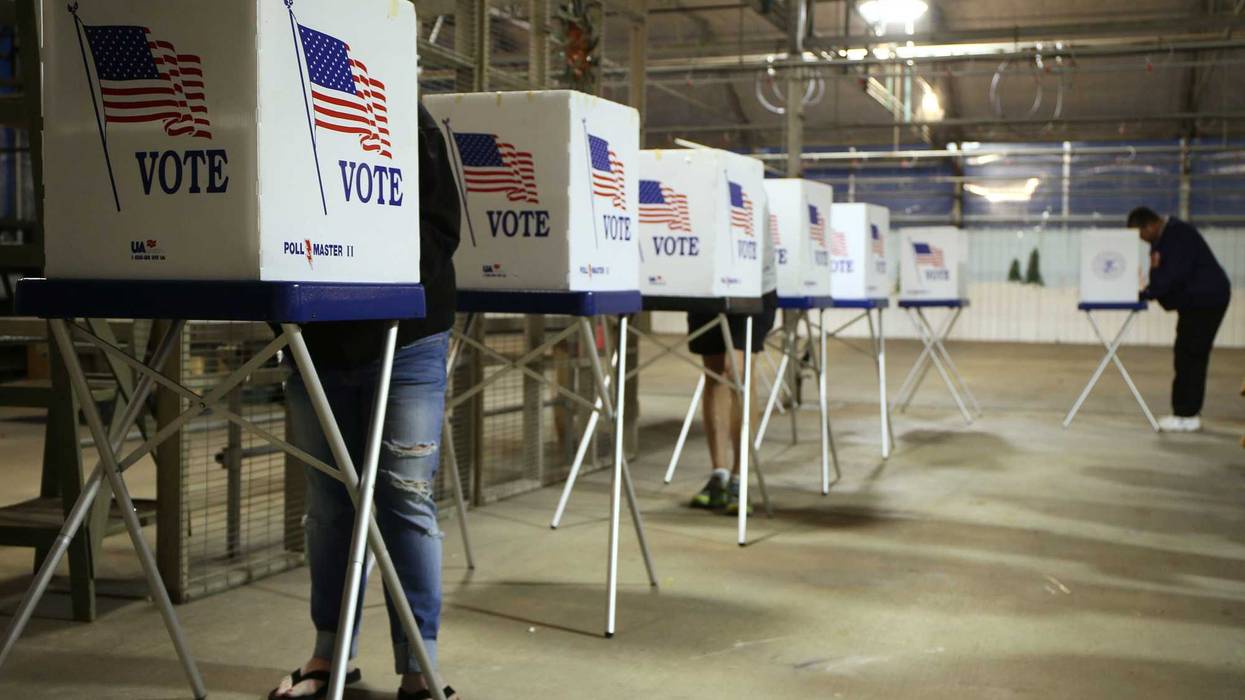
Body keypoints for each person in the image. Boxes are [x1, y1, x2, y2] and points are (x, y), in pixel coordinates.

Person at [270, 103, 460, 700]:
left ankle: (418, 668)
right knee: (328, 503)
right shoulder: (284, 102)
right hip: (316, 337)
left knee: (403, 498)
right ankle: (329, 654)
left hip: (407, 335)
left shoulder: (403, 107)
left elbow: (440, 231)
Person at [1127, 206, 1231, 433]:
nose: (1142, 241)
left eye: (1141, 235)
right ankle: (1187, 413)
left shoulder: (1177, 235)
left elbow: (1171, 276)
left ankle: (1186, 415)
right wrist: (1151, 291)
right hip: (1197, 301)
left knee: (1191, 354)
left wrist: (1147, 293)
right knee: (1187, 352)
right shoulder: (1163, 238)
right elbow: (1161, 275)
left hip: (1206, 300)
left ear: (1150, 225)